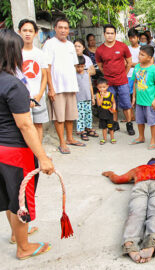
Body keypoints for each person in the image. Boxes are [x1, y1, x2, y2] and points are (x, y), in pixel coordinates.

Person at [0, 29, 54, 260]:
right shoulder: (13, 84)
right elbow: (25, 125)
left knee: (9, 195)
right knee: (20, 199)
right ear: (14, 53)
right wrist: (43, 157)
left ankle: (16, 235)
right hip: (15, 151)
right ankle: (23, 247)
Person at [43, 17, 85, 154]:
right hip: (57, 87)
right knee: (59, 116)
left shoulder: (70, 45)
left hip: (70, 86)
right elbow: (47, 68)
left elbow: (73, 67)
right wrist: (51, 88)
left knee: (69, 115)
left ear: (68, 30)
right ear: (55, 28)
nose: (63, 30)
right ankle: (62, 142)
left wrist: (74, 86)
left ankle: (70, 138)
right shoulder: (49, 44)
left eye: (66, 28)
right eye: (60, 27)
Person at [95, 24, 135, 135]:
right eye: (107, 33)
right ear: (104, 34)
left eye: (112, 33)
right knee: (112, 104)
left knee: (126, 105)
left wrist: (123, 74)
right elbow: (100, 65)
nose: (110, 35)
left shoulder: (122, 46)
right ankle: (114, 124)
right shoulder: (100, 50)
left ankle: (129, 125)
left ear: (115, 34)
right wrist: (108, 76)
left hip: (122, 82)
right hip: (109, 84)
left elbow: (129, 62)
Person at [18, 19, 49, 142]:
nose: (27, 33)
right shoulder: (16, 53)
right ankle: (27, 153)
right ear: (19, 32)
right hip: (21, 97)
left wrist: (40, 94)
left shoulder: (40, 53)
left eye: (30, 31)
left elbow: (44, 75)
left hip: (38, 96)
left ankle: (38, 153)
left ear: (35, 33)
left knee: (38, 125)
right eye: (24, 30)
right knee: (25, 126)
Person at [131, 45, 155, 150]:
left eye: (142, 55)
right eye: (139, 54)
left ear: (149, 57)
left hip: (150, 101)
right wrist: (134, 97)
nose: (139, 56)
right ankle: (141, 137)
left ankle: (153, 139)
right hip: (139, 100)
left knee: (152, 121)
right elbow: (135, 82)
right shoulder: (137, 67)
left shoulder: (154, 69)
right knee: (139, 120)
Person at [75, 56, 97, 141]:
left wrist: (92, 97)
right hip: (79, 98)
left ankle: (88, 128)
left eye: (81, 66)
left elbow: (90, 85)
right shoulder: (74, 75)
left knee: (88, 113)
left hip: (87, 97)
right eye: (78, 66)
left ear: (84, 66)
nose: (80, 68)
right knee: (80, 115)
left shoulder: (87, 73)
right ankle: (81, 130)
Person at [96, 77, 116, 145]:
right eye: (100, 87)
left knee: (111, 127)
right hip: (102, 115)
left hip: (109, 114)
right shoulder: (98, 95)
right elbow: (99, 104)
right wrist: (101, 96)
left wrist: (113, 110)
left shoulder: (110, 95)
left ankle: (112, 138)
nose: (102, 89)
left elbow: (113, 103)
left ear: (107, 86)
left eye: (104, 87)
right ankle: (104, 138)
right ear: (97, 87)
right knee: (104, 128)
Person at [126, 28, 140, 122]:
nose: (132, 39)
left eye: (133, 37)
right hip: (128, 75)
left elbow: (142, 62)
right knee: (129, 95)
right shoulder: (127, 48)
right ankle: (131, 115)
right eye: (130, 38)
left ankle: (139, 115)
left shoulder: (141, 48)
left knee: (139, 95)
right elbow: (125, 62)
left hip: (140, 75)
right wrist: (132, 64)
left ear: (137, 38)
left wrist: (131, 63)